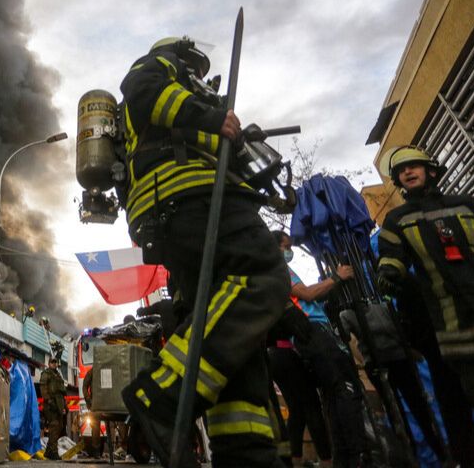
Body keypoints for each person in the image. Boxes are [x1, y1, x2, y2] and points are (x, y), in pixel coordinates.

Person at [118, 36, 291, 468]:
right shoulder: (158, 65)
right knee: (262, 277)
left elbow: (216, 149)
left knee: (233, 339)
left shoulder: (196, 100)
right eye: (195, 62)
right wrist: (214, 117)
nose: (198, 70)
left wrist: (247, 155)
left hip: (192, 202)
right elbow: (143, 92)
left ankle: (246, 453)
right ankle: (162, 396)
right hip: (187, 197)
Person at [376, 145, 474, 431]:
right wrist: (388, 272)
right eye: (401, 171)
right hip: (456, 327)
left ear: (431, 171)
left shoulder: (470, 205)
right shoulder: (397, 221)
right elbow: (391, 255)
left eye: (413, 166)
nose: (407, 172)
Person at [274, 231, 365, 468]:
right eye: (286, 246)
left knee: (333, 394)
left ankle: (343, 458)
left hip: (311, 335)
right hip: (312, 333)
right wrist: (337, 277)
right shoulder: (279, 269)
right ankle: (355, 455)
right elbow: (307, 293)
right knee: (343, 389)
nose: (289, 251)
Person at [40, 356, 67, 460]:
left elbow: (61, 392)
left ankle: (49, 451)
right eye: (52, 362)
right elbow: (43, 388)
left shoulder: (58, 375)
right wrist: (49, 401)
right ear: (49, 363)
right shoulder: (46, 374)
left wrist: (64, 405)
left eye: (55, 362)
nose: (54, 364)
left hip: (59, 404)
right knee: (54, 427)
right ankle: (53, 451)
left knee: (59, 427)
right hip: (51, 404)